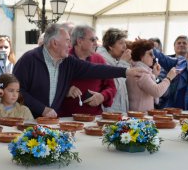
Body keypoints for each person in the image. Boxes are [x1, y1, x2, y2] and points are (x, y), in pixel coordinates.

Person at [14, 23, 146, 118]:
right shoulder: (29, 59)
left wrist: (126, 72)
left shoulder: (67, 62)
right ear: (54, 43)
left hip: (52, 121)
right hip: (29, 120)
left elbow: (95, 69)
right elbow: (18, 91)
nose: (70, 45)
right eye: (67, 41)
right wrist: (42, 109)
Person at [59, 25, 117, 116]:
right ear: (80, 41)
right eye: (92, 40)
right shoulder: (63, 59)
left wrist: (102, 96)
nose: (96, 44)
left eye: (96, 40)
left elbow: (111, 87)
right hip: (66, 119)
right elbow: (49, 86)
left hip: (94, 119)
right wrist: (66, 90)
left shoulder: (99, 60)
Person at [126, 39, 176, 112]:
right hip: (140, 116)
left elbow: (152, 93)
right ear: (141, 56)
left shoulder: (135, 69)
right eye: (150, 54)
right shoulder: (141, 73)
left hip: (137, 115)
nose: (153, 57)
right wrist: (169, 78)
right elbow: (157, 92)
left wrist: (154, 75)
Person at [96, 27, 131, 112]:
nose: (124, 46)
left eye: (124, 43)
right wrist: (123, 63)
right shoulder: (102, 61)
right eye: (120, 43)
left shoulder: (115, 60)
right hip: (109, 112)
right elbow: (115, 86)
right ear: (110, 46)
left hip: (117, 112)